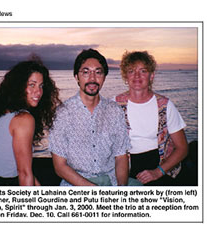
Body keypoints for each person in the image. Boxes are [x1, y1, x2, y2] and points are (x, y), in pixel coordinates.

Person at [0, 58, 61, 186]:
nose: (38, 92)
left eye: (41, 86)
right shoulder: (24, 119)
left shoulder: (3, 107)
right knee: (54, 171)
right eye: (31, 85)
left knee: (44, 166)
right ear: (19, 86)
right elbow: (24, 173)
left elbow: (23, 166)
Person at [49, 49, 132, 186]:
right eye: (86, 72)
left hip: (110, 181)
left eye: (98, 72)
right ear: (76, 77)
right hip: (76, 183)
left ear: (104, 77)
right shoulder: (62, 114)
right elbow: (60, 167)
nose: (92, 78)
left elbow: (121, 156)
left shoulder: (115, 111)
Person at [115, 50, 188, 186]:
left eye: (143, 71)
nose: (137, 76)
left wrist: (158, 171)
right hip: (124, 166)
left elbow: (182, 148)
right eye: (131, 71)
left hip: (160, 165)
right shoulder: (114, 104)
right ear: (125, 76)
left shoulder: (165, 106)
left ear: (152, 75)